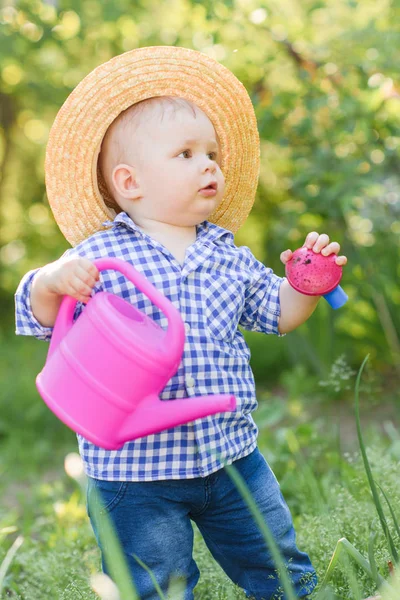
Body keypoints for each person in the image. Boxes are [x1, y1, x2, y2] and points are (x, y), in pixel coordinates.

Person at [15, 46, 347, 600]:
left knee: (277, 566)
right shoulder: (98, 256)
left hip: (231, 454)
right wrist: (53, 280)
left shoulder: (229, 255)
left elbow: (279, 313)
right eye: (186, 153)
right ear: (130, 182)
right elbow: (40, 309)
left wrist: (306, 286)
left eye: (212, 153)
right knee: (155, 584)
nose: (210, 164)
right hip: (132, 473)